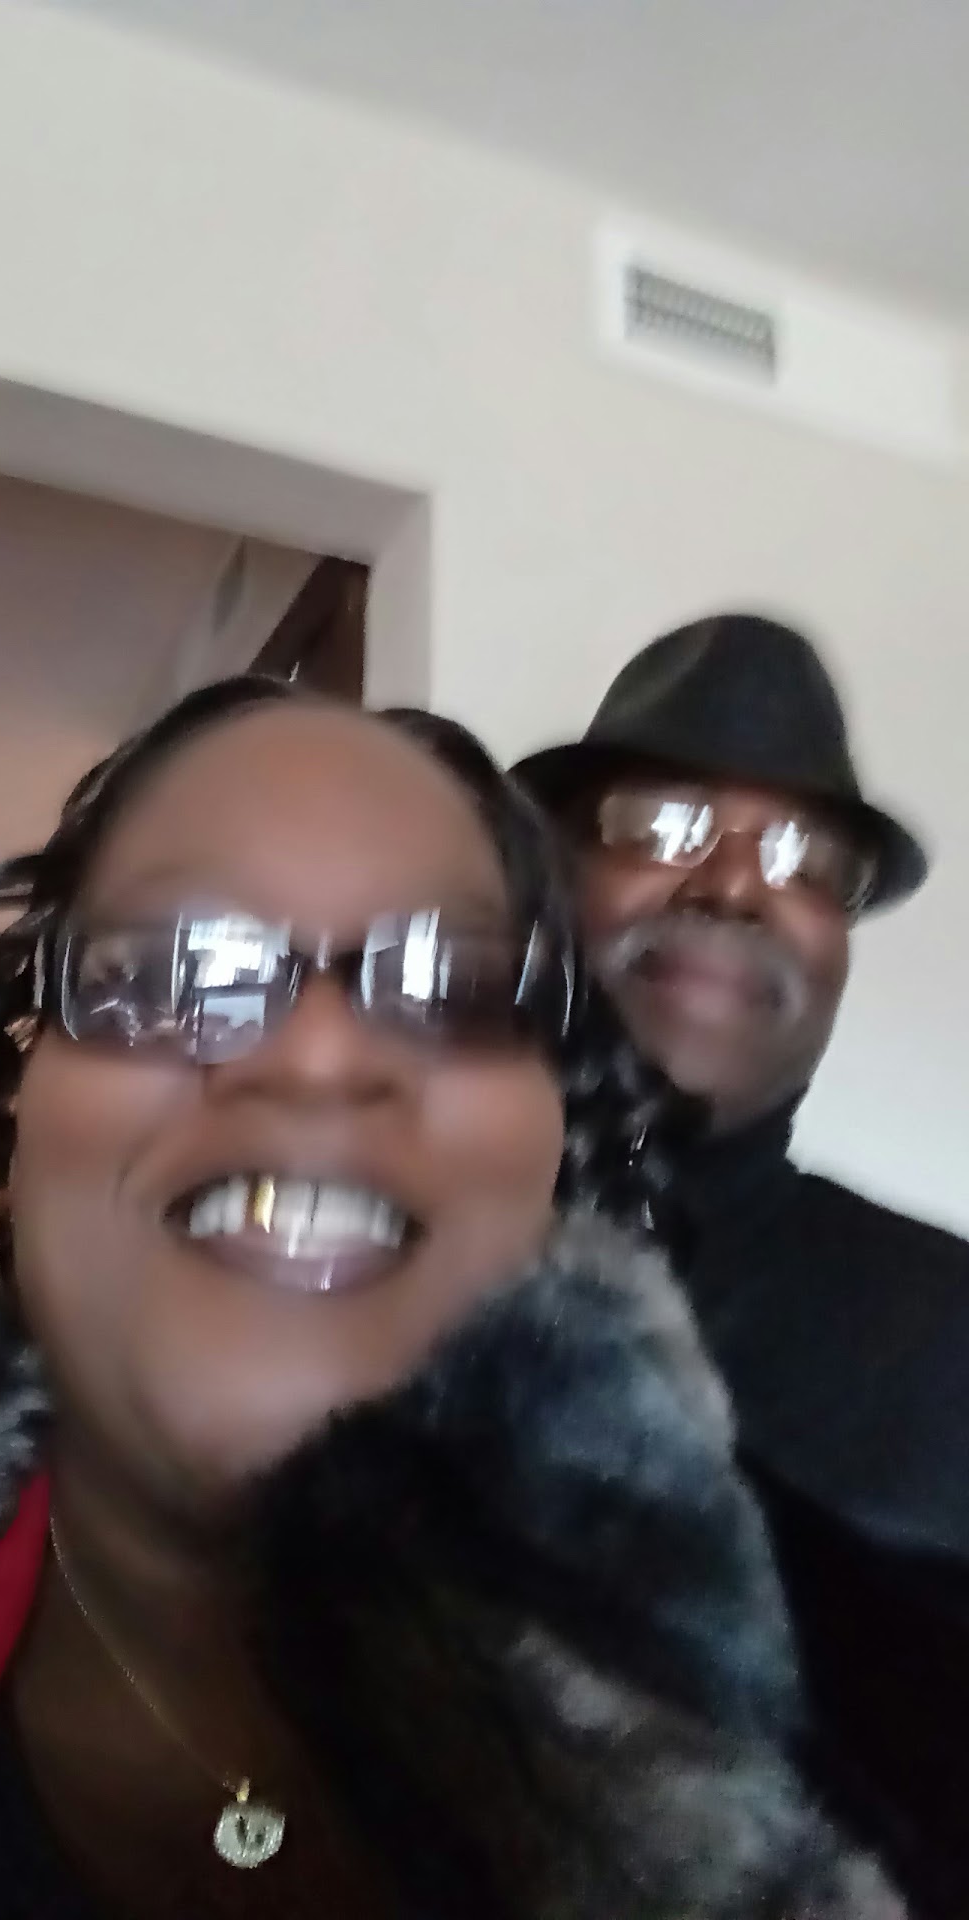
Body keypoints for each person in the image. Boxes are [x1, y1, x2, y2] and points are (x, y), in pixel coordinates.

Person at [0, 672, 896, 1919]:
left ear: (550, 1145)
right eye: (182, 966)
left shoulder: (895, 1725)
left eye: (454, 989)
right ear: (15, 1083)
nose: (321, 1058)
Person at [514, 610, 969, 1917]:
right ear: (553, 881)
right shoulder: (366, 1268)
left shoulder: (951, 1326)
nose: (730, 885)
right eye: (661, 827)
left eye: (803, 858)